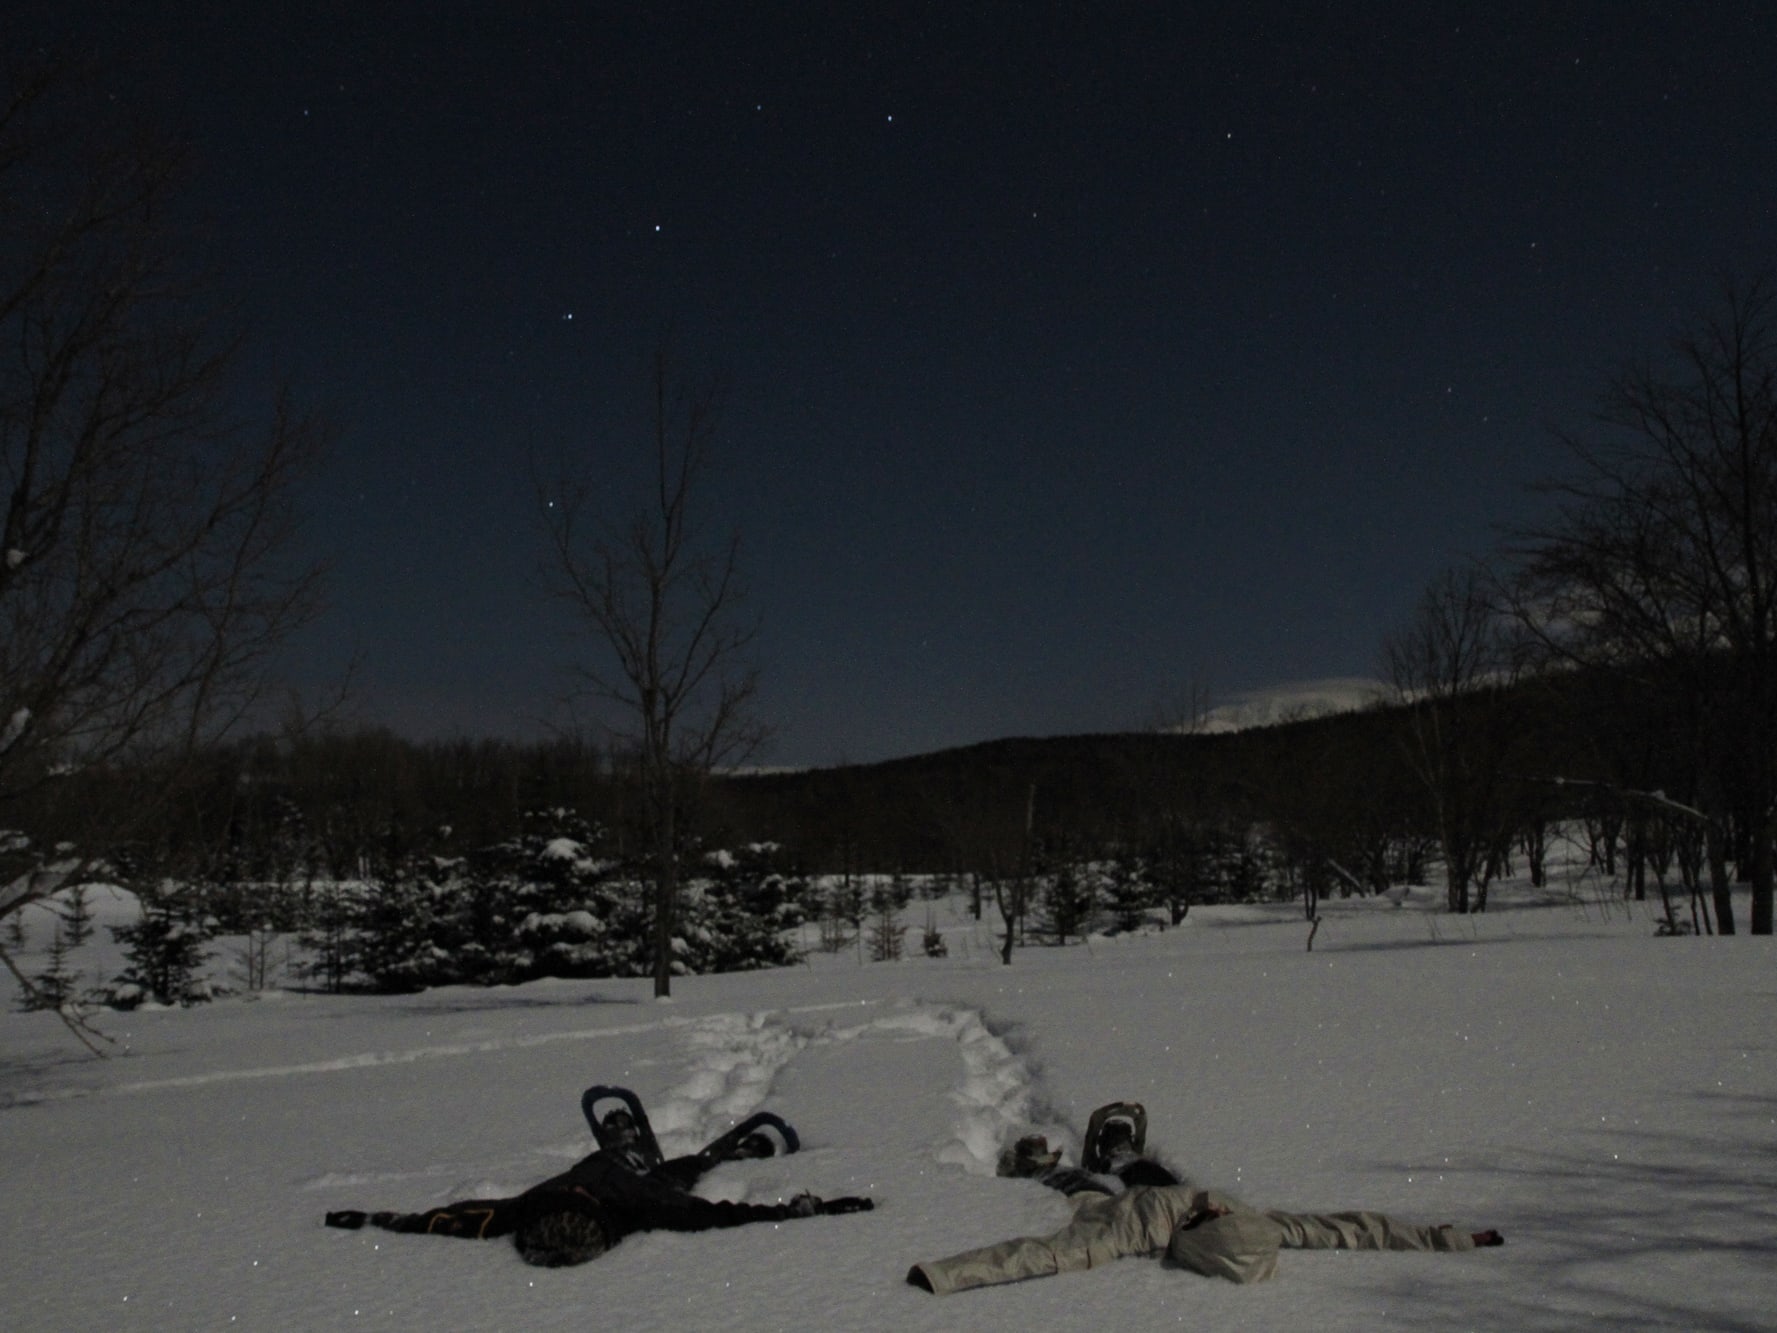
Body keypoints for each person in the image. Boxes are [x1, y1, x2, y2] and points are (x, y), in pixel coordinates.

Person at [911, 1119, 1500, 1293]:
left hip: (1110, 1209)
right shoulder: (1254, 1224)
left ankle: (1038, 1165)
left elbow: (1032, 1256)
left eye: (1212, 1220)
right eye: (1225, 1214)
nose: (1219, 1209)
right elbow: (1349, 1231)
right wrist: (1443, 1239)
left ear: (1200, 1239)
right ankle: (1119, 1152)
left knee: (1080, 1187)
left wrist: (941, 1275)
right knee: (1146, 1172)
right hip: (1153, 1183)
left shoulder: (1121, 1239)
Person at [326, 1095, 873, 1268]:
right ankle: (727, 1152)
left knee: (620, 1162)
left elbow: (446, 1221)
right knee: (681, 1172)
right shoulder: (646, 1210)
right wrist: (805, 1211)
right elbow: (725, 1215)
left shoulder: (525, 1211)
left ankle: (621, 1145)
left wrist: (375, 1218)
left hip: (603, 1171)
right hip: (646, 1186)